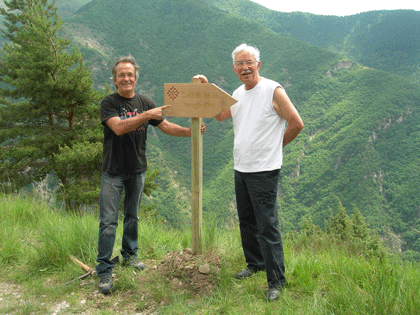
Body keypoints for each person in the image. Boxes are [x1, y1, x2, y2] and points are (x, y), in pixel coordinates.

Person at [194, 43, 304, 301]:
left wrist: (274, 148)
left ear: (258, 64)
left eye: (249, 62)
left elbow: (296, 123)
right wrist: (207, 88)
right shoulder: (238, 93)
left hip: (264, 170)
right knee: (246, 221)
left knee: (267, 225)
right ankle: (255, 264)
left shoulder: (273, 90)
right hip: (240, 167)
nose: (245, 68)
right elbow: (221, 115)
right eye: (240, 64)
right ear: (234, 69)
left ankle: (276, 281)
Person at [97, 55, 206, 294]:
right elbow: (118, 127)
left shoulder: (145, 101)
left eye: (130, 74)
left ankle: (130, 256)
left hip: (137, 170)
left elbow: (165, 126)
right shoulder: (110, 103)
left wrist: (191, 132)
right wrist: (147, 115)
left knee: (133, 217)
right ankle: (104, 270)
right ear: (115, 79)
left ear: (136, 78)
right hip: (113, 172)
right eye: (121, 75)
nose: (126, 78)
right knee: (108, 223)